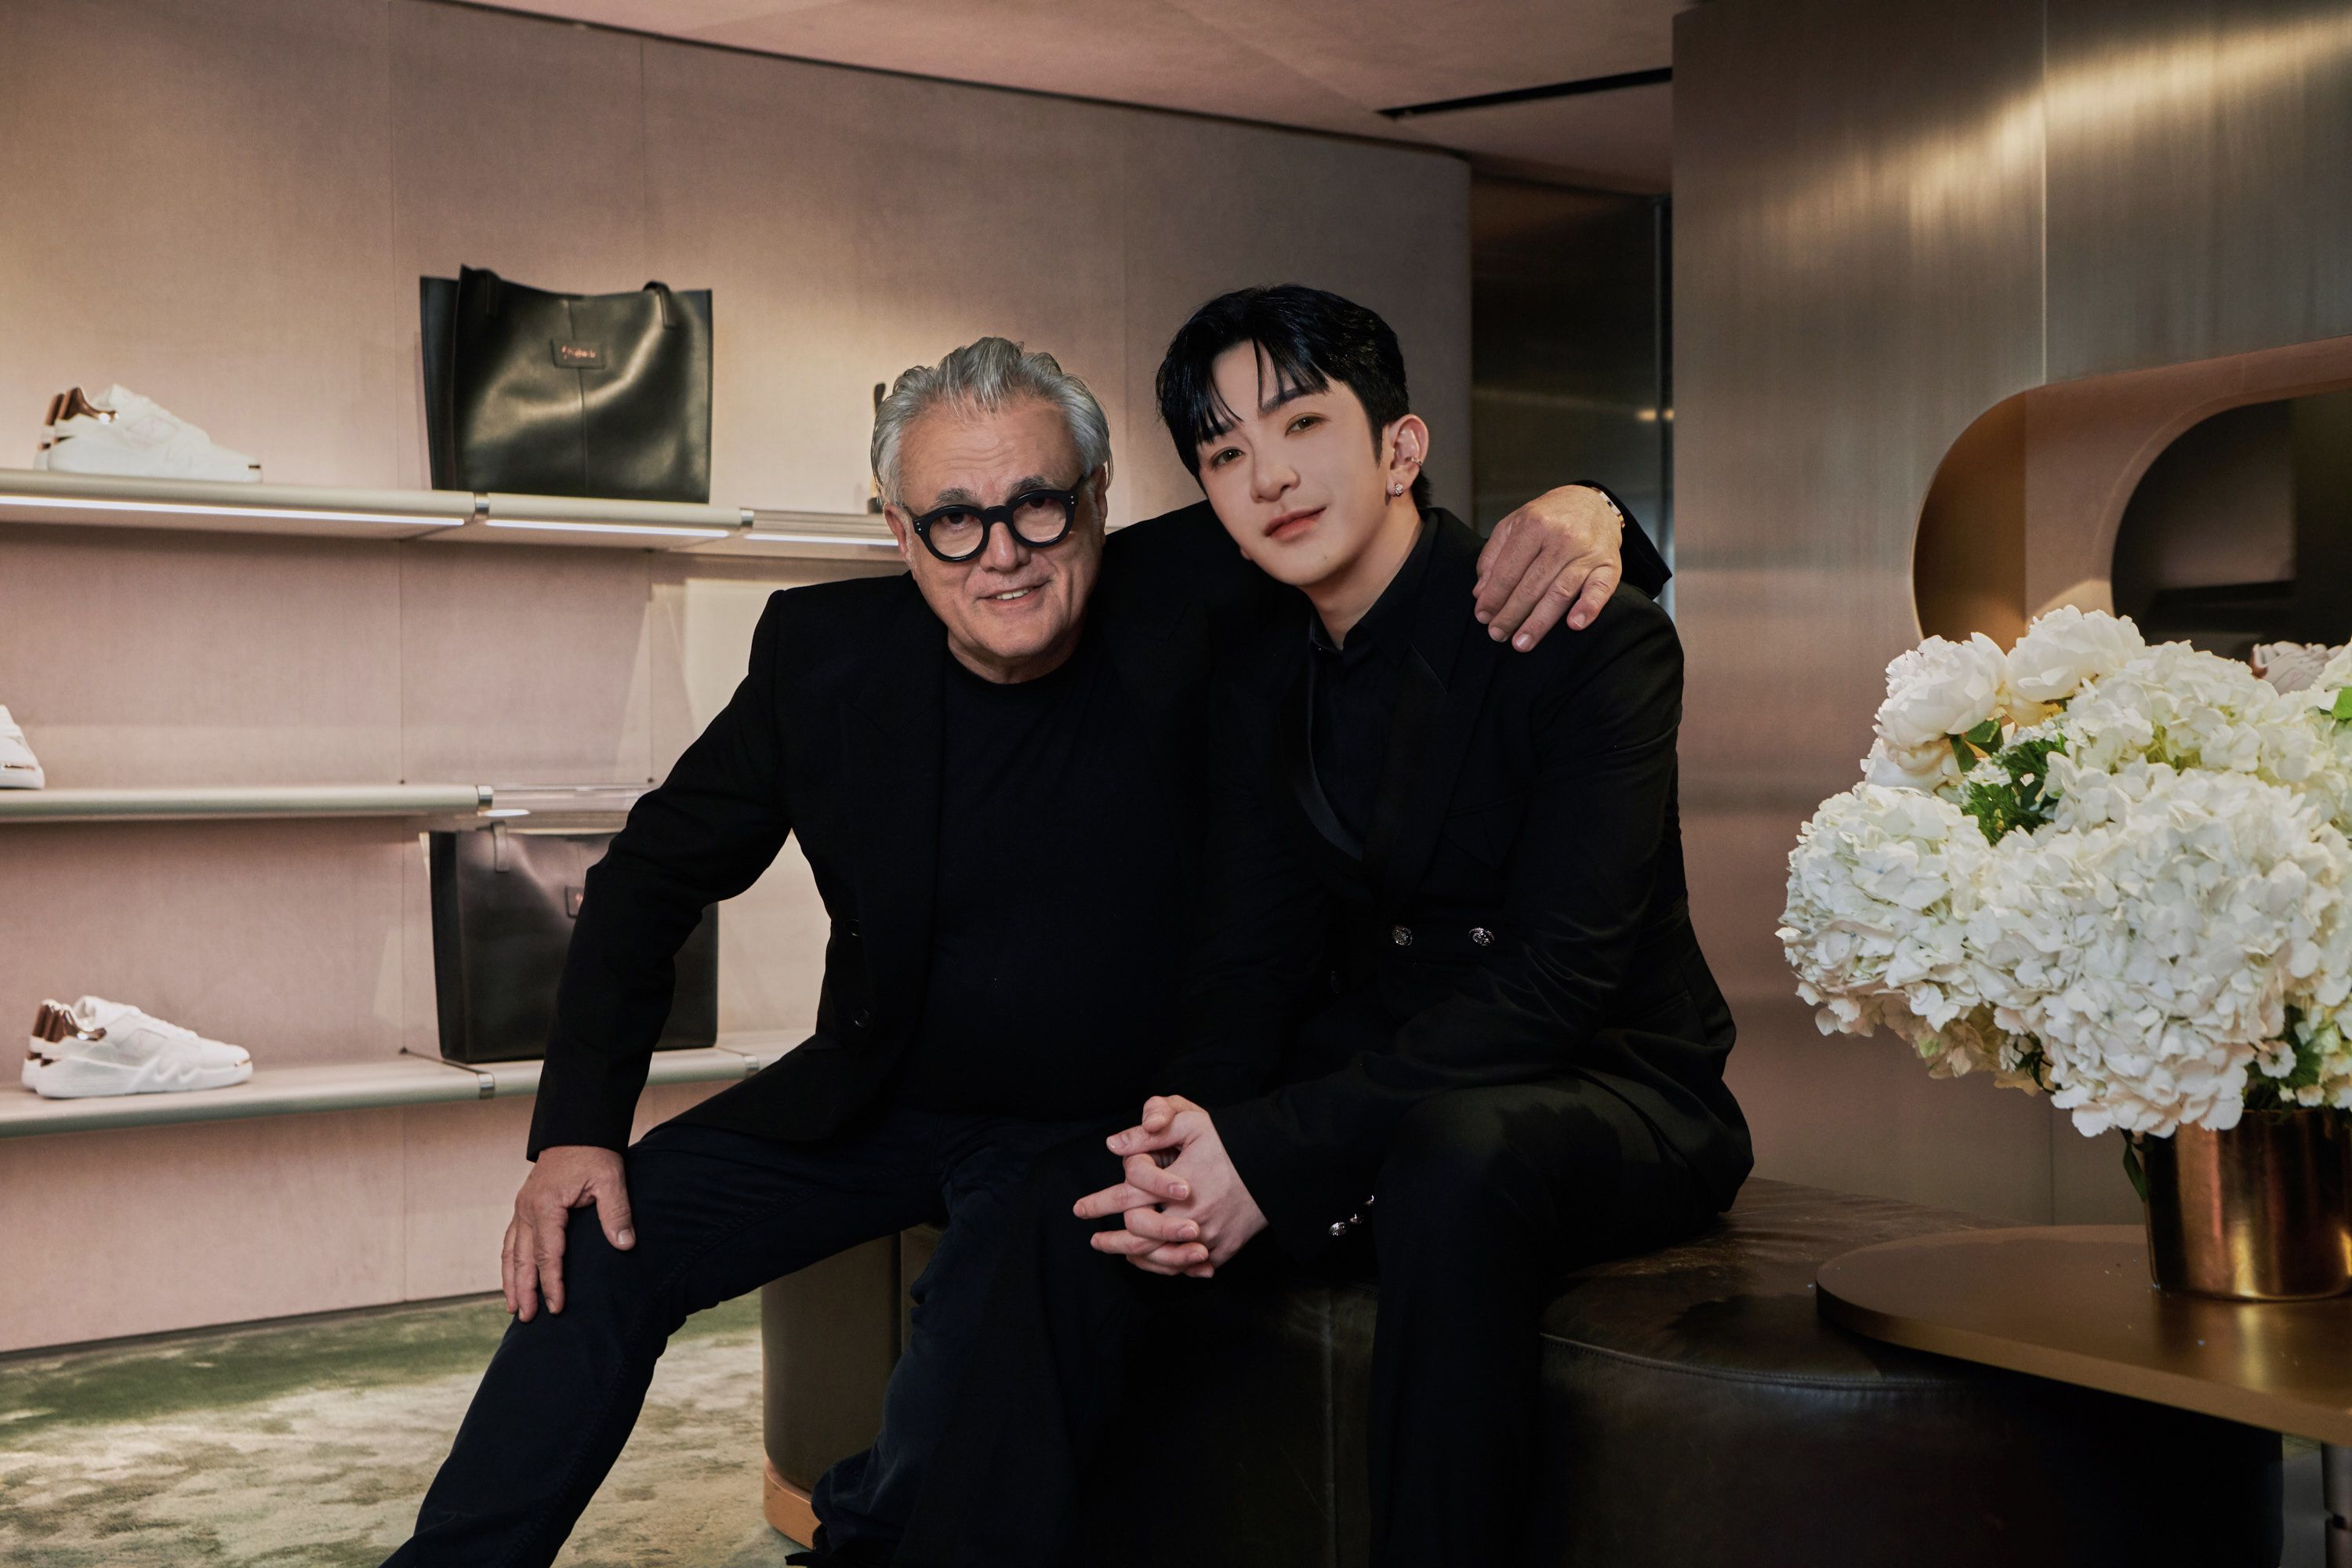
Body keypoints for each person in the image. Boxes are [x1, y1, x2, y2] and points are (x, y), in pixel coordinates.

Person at [379, 332, 1659, 1567]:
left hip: (1090, 1127)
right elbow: (650, 878)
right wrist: (575, 1132)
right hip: (877, 1099)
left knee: (987, 1330)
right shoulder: (824, 657)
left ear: (1096, 500)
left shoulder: (1198, 589)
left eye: (1039, 507)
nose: (1002, 553)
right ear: (899, 530)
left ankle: (869, 1530)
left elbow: (1384, 519)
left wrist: (1592, 506)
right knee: (599, 1244)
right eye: (953, 519)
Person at [894, 288, 1750, 1567]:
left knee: (1455, 1161)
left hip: (1615, 1084)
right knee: (1074, 1192)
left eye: (1301, 424)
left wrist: (1275, 1152)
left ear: (1401, 448)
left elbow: (1560, 983)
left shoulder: (1589, 635)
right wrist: (1196, 1130)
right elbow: (1250, 955)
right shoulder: (1257, 670)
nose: (1270, 476)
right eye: (1226, 451)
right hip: (1391, 1071)